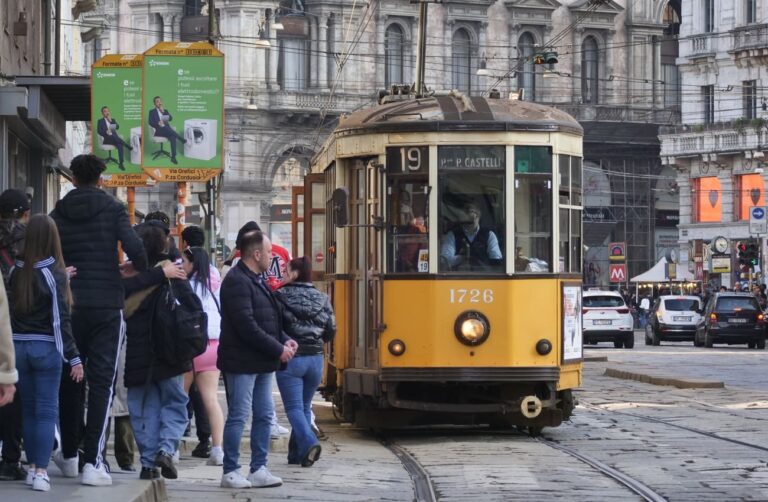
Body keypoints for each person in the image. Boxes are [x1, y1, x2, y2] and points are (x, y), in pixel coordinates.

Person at [50, 153, 148, 486]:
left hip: (70, 304)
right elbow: (138, 251)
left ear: (73, 178)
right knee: (102, 383)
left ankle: (69, 456)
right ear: (100, 179)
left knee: (70, 378)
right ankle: (94, 461)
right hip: (106, 303)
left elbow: (46, 252)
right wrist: (129, 269)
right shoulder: (112, 208)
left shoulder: (59, 211)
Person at [9, 214, 84, 492]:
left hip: (18, 347)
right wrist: (74, 357)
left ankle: (32, 468)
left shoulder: (16, 270)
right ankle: (41, 471)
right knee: (46, 412)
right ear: (52, 238)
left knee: (28, 411)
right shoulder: (54, 273)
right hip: (46, 348)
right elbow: (60, 320)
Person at [218, 230, 297, 489]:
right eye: (269, 251)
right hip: (242, 361)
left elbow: (269, 319)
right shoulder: (237, 281)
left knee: (264, 415)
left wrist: (284, 339)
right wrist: (278, 349)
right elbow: (247, 325)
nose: (272, 256)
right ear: (256, 254)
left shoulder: (258, 279)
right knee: (239, 415)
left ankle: (259, 468)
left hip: (262, 361)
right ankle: (230, 471)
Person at [122, 224, 192, 480]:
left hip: (139, 356)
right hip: (171, 352)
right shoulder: (173, 274)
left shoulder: (128, 277)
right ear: (164, 246)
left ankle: (149, 464)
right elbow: (192, 308)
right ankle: (166, 448)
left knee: (144, 410)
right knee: (175, 403)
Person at [274, 256, 336, 467]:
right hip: (315, 360)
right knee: (303, 406)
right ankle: (297, 455)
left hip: (292, 358)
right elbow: (331, 330)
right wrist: (317, 342)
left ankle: (310, 442)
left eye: (285, 271)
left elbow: (274, 328)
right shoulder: (323, 298)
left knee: (293, 409)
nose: (282, 275)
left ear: (294, 274)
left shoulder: (279, 296)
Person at [181, 246, 225, 466]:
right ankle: (217, 450)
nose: (182, 265)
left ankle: (171, 448)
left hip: (191, 347)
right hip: (214, 346)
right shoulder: (214, 286)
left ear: (193, 264)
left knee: (179, 398)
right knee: (211, 399)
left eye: (184, 262)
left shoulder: (186, 286)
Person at [0, 188, 30, 482]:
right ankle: (11, 457)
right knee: (11, 393)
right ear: (24, 213)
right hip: (19, 323)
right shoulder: (29, 240)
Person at [440, 202, 502, 270]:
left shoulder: (489, 235)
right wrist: (462, 258)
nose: (472, 217)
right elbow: (444, 260)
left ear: (478, 216)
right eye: (467, 214)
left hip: (483, 277)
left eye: (474, 213)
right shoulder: (453, 235)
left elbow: (496, 260)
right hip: (457, 277)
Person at [148, 96, 186, 165]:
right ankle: (181, 139)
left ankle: (173, 157)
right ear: (154, 104)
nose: (159, 102)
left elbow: (170, 118)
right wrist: (158, 123)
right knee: (166, 128)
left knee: (172, 136)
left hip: (167, 130)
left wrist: (163, 111)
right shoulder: (152, 112)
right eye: (157, 101)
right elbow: (150, 122)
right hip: (158, 131)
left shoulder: (165, 111)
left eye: (160, 101)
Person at [97, 106, 133, 171]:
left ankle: (121, 164)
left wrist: (111, 121)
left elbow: (117, 127)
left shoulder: (112, 120)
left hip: (115, 139)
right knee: (113, 136)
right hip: (106, 139)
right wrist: (106, 132)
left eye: (108, 111)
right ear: (102, 113)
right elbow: (99, 131)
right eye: (105, 111)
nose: (107, 112)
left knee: (119, 144)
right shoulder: (100, 121)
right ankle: (127, 146)